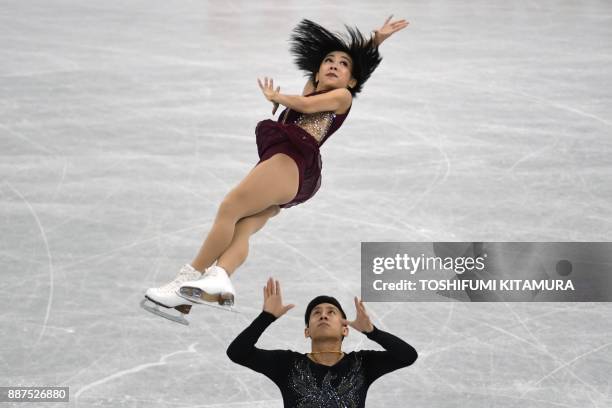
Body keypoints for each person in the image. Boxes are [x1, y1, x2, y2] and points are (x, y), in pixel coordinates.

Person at [141, 16, 409, 324]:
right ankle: (218, 280)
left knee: (229, 208)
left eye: (344, 64)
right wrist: (372, 40)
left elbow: (308, 107)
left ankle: (181, 284)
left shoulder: (342, 96)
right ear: (317, 71)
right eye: (329, 61)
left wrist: (278, 97)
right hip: (289, 173)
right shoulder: (313, 88)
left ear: (352, 80)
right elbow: (310, 96)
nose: (335, 64)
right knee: (243, 226)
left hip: (289, 162)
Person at [226, 278, 418, 407]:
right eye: (316, 313)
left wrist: (372, 332)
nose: (323, 315)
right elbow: (237, 353)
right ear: (307, 331)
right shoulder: (287, 364)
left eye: (331, 312)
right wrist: (266, 317)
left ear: (345, 329)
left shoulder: (362, 364)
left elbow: (408, 356)